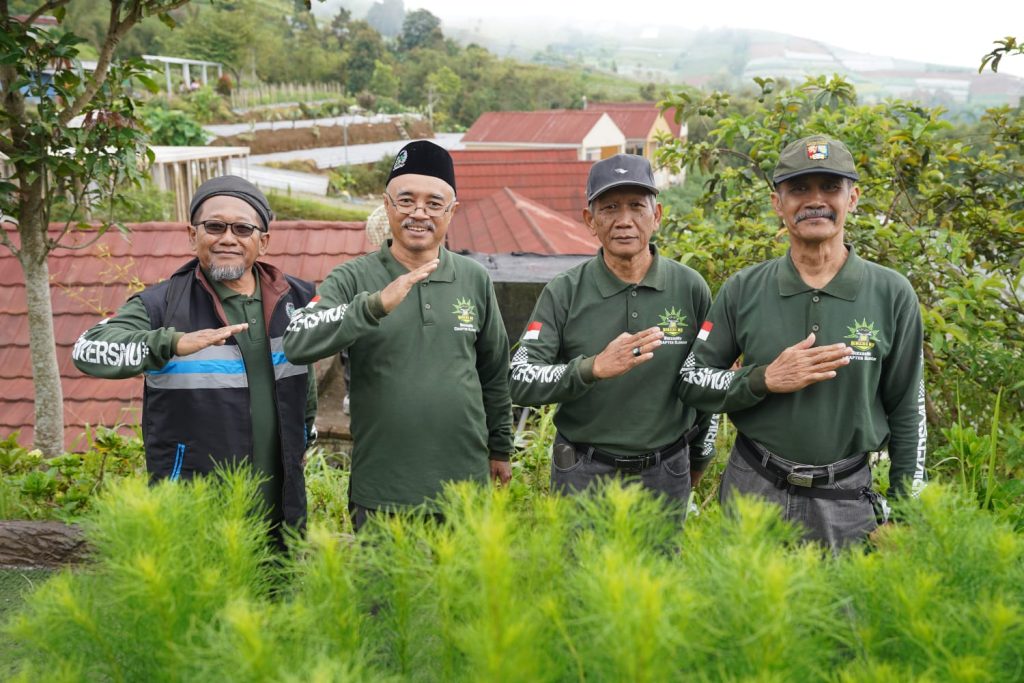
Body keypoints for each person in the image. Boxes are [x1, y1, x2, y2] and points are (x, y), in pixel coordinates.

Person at [678, 135, 927, 549]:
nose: (815, 201)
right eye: (798, 189)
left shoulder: (892, 294)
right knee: (746, 593)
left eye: (830, 187)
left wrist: (906, 513)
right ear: (778, 203)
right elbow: (691, 380)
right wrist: (762, 379)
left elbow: (908, 410)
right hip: (753, 489)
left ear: (853, 198)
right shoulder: (744, 289)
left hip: (846, 498)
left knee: (844, 594)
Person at [283, 140, 514, 531]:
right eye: (406, 201)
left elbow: (494, 372)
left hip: (464, 488)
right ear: (387, 206)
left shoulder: (474, 278)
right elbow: (297, 341)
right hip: (382, 490)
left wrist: (501, 448)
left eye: (433, 203)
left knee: (463, 575)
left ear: (452, 211)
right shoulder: (353, 278)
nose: (418, 213)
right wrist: (373, 305)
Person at [73, 176, 317, 542]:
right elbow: (87, 348)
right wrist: (170, 342)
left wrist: (304, 434)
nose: (228, 238)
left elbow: (306, 378)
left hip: (281, 504)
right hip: (194, 505)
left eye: (242, 229)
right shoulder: (161, 305)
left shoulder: (297, 299)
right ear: (192, 235)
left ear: (263, 241)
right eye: (214, 226)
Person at [509, 154, 717, 515]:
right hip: (582, 471)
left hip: (666, 470)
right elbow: (521, 378)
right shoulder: (565, 291)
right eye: (609, 208)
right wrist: (591, 368)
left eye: (636, 206)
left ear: (657, 215)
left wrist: (700, 457)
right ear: (590, 220)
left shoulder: (689, 287)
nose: (624, 221)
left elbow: (707, 379)